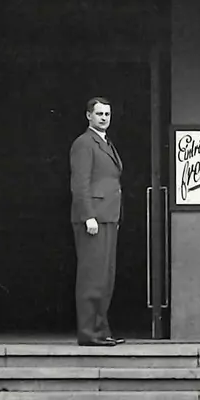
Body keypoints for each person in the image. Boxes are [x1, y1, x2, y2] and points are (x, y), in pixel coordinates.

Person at [69, 96, 125, 347]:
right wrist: (88, 215)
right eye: (100, 114)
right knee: (92, 276)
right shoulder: (84, 143)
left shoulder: (106, 142)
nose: (104, 118)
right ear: (89, 116)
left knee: (105, 277)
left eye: (107, 114)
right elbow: (80, 183)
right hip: (94, 218)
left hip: (108, 216)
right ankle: (89, 332)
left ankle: (101, 330)